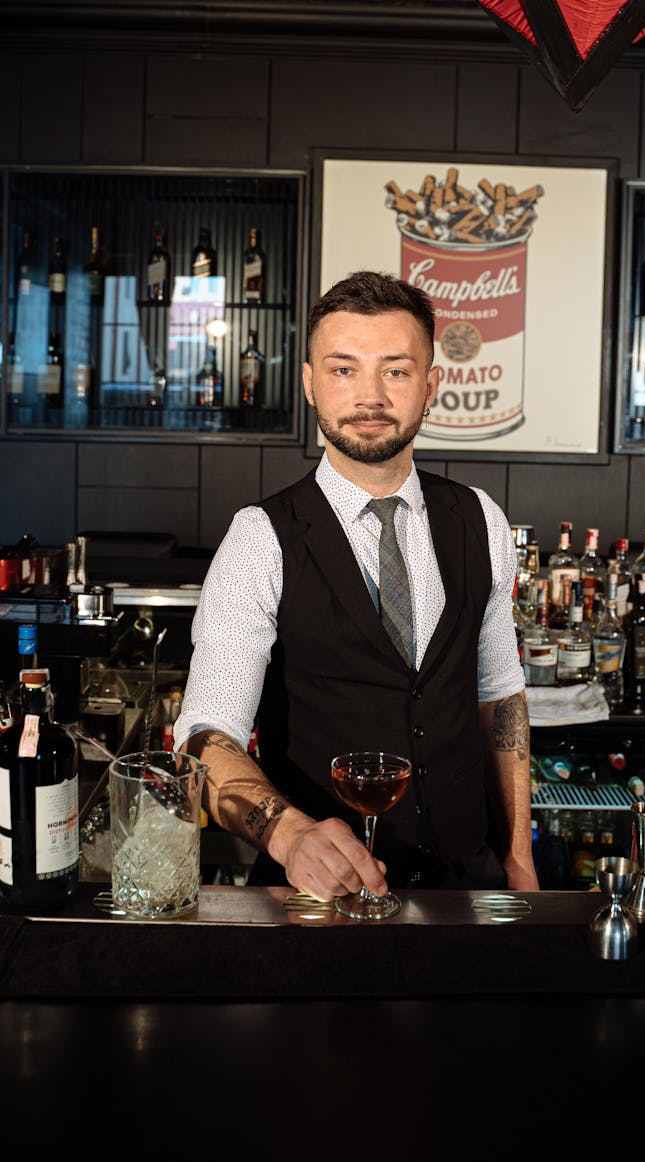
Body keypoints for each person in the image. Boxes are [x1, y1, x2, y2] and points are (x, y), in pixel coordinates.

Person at [174, 270, 539, 897]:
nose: (369, 396)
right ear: (312, 384)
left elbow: (499, 700)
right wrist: (290, 835)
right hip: (322, 892)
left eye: (396, 371)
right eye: (344, 369)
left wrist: (519, 860)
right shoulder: (260, 538)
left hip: (468, 888)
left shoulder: (480, 518)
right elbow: (206, 736)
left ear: (431, 386)